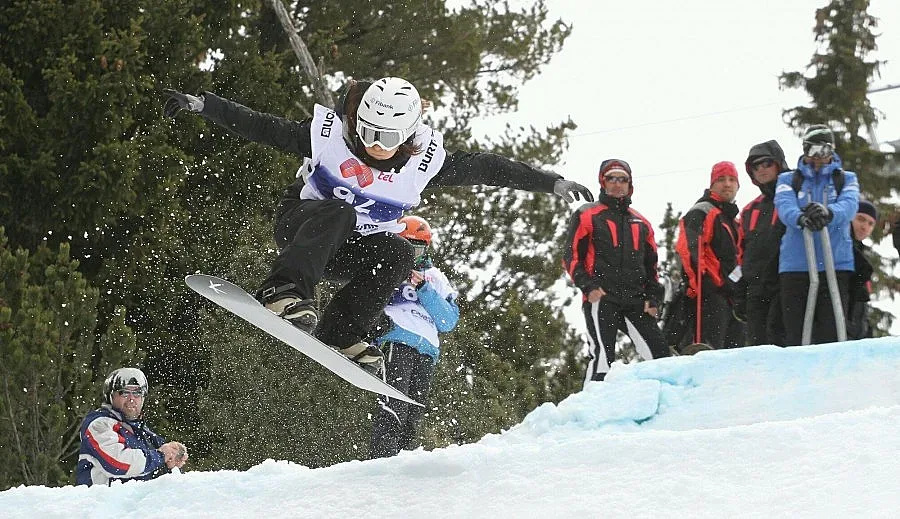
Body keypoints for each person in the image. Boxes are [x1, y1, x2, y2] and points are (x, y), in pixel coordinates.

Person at [163, 78, 591, 372]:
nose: (372, 145)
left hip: (347, 250)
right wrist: (205, 105)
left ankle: (341, 331)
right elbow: (261, 126)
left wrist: (549, 183)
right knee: (341, 210)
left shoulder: (426, 164)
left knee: (399, 251)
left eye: (386, 140)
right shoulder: (328, 136)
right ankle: (282, 290)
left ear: (406, 138)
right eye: (366, 132)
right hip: (302, 227)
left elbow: (488, 168)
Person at [563, 159, 670, 384]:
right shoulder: (587, 214)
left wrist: (653, 298)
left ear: (630, 184)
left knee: (661, 355)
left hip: (636, 299)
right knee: (603, 358)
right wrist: (588, 286)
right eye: (612, 178)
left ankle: (664, 408)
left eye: (622, 179)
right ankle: (590, 412)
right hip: (602, 297)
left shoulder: (641, 222)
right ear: (603, 182)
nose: (617, 184)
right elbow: (571, 255)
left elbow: (651, 266)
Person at [370, 216, 459, 458]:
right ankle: (381, 461)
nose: (412, 254)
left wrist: (424, 288)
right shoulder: (388, 265)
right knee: (393, 406)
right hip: (397, 338)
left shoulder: (436, 277)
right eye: (406, 246)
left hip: (427, 349)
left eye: (417, 248)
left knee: (413, 415)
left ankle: (404, 465)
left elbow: (448, 321)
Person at [774, 124, 859, 345]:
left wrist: (829, 213)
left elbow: (849, 205)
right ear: (804, 151)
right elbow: (784, 205)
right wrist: (800, 218)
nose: (819, 158)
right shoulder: (788, 180)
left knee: (831, 330)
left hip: (835, 263)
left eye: (824, 151)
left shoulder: (846, 179)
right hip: (796, 266)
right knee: (796, 331)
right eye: (813, 151)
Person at [675, 161, 745, 351]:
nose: (727, 184)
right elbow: (688, 248)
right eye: (721, 179)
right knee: (711, 347)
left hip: (732, 294)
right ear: (712, 184)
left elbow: (740, 256)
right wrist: (698, 283)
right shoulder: (704, 210)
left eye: (732, 180)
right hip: (710, 292)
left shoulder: (734, 220)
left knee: (734, 349)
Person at [76, 368, 187, 486]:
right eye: (124, 392)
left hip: (138, 502)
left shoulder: (143, 432)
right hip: (103, 502)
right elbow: (116, 463)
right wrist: (161, 456)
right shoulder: (99, 424)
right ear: (111, 396)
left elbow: (160, 471)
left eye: (137, 393)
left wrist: (172, 462)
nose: (131, 398)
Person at [739, 140, 788, 346]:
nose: (761, 170)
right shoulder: (750, 210)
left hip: (785, 283)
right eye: (755, 166)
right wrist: (740, 289)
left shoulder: (794, 197)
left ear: (778, 163)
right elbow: (741, 252)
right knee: (757, 345)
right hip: (756, 288)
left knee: (783, 342)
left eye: (766, 163)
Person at [847, 200, 878, 339]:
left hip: (856, 335)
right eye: (861, 219)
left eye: (871, 224)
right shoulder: (842, 250)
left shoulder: (862, 256)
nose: (865, 227)